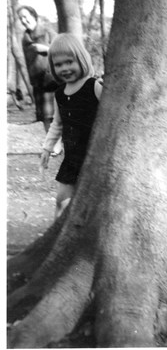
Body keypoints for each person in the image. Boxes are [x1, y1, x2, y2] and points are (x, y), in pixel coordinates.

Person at [40, 33, 103, 219]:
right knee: (61, 200)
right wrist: (47, 148)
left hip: (94, 156)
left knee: (89, 203)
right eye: (58, 65)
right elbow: (57, 123)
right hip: (72, 158)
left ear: (81, 59)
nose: (65, 68)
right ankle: (59, 236)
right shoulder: (59, 94)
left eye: (69, 62)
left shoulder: (94, 87)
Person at [17, 5, 59, 132]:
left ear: (33, 16)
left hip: (53, 81)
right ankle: (53, 148)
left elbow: (66, 51)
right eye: (21, 19)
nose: (23, 21)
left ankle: (61, 147)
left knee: (55, 117)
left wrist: (46, 49)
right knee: (45, 118)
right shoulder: (25, 39)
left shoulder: (48, 32)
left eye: (25, 17)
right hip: (38, 83)